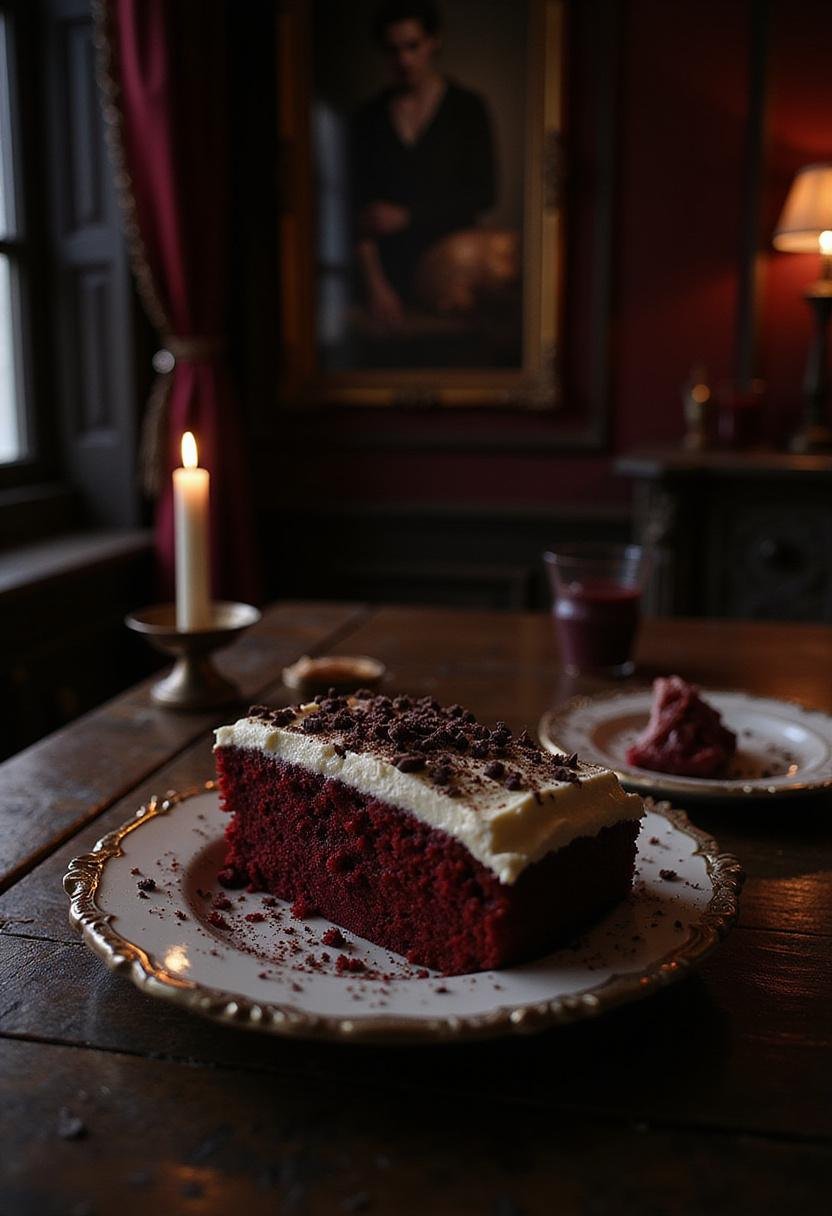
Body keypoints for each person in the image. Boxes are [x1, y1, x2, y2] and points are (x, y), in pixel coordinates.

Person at [352, 1, 496, 331]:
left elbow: (484, 192)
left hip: (453, 267)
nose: (403, 60)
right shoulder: (368, 119)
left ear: (433, 42)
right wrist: (376, 285)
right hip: (386, 273)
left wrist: (408, 216)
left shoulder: (466, 109)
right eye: (393, 50)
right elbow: (358, 210)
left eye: (412, 46)